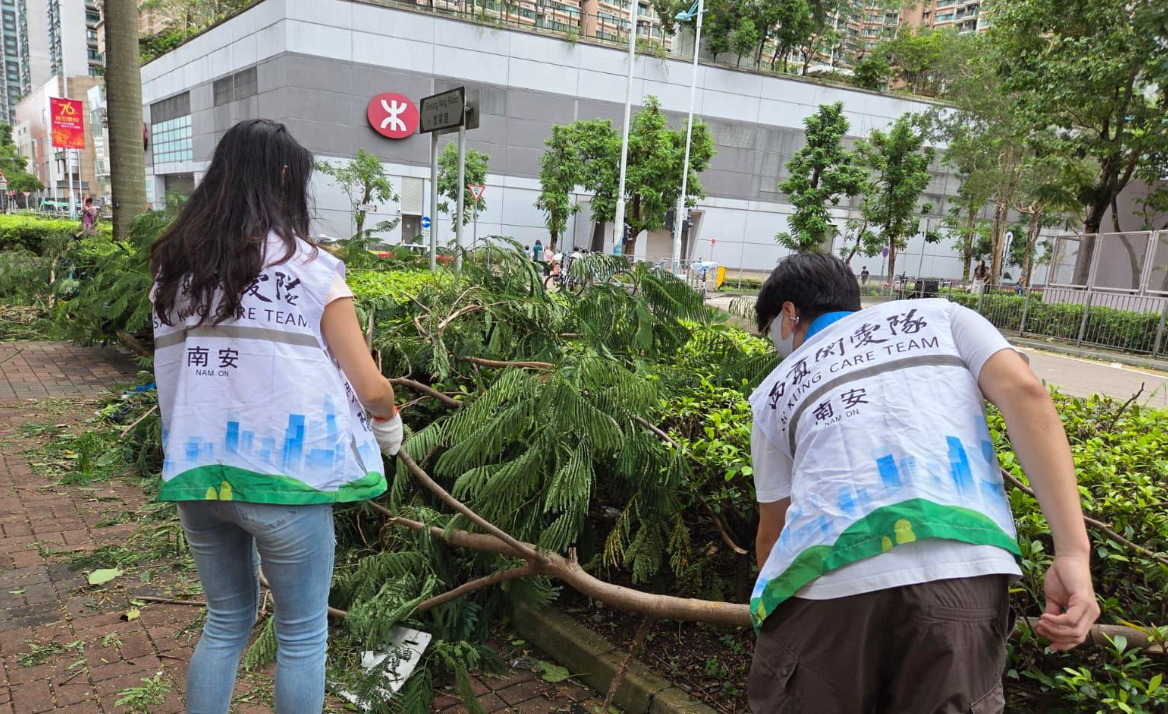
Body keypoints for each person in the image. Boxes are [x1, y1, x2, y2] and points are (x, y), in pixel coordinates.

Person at [747, 253, 1098, 713]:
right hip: (965, 569)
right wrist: (1072, 551)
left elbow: (773, 536)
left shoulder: (774, 392)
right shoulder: (942, 315)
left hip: (827, 588)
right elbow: (1027, 392)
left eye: (770, 326)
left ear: (789, 314)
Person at [149, 119, 403, 714]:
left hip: (199, 477)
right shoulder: (312, 271)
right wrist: (389, 429)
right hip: (288, 486)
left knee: (225, 622)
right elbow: (371, 386)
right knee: (301, 637)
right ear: (287, 181)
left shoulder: (174, 272)